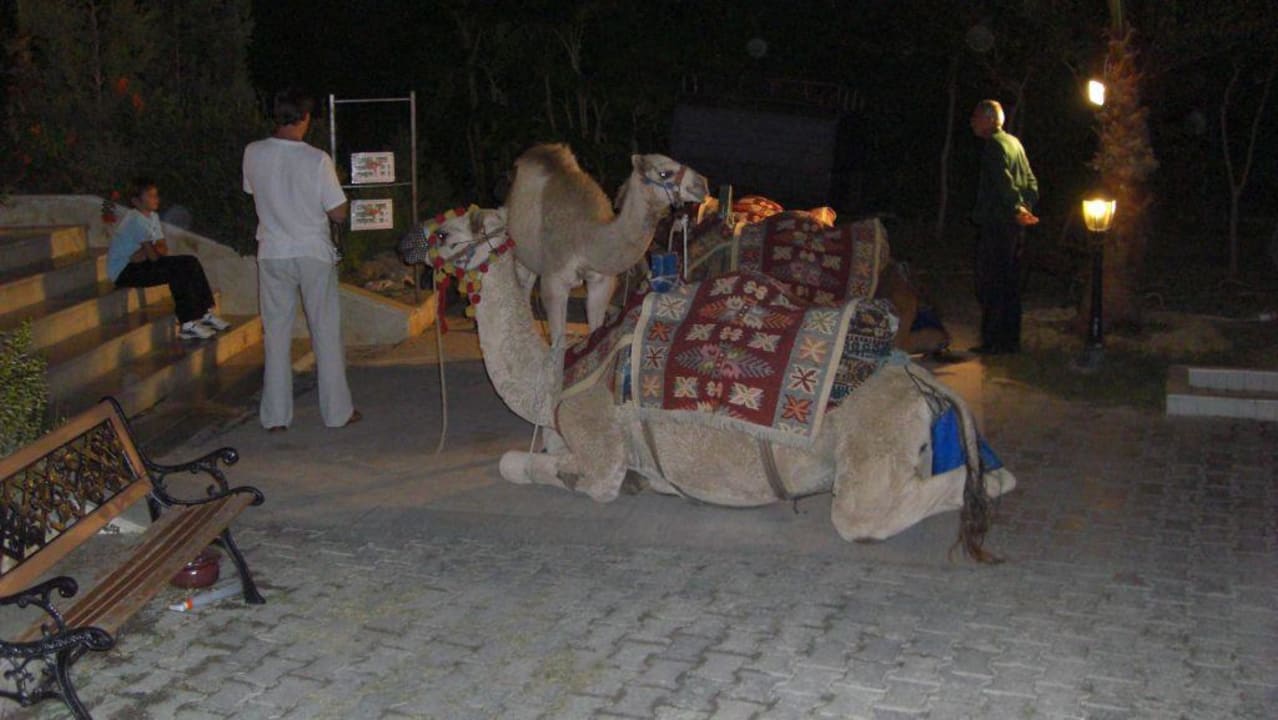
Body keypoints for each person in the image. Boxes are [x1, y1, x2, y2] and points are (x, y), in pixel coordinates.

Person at [243, 88, 359, 432]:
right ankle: (337, 412)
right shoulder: (316, 159)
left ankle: (276, 417)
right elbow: (337, 212)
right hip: (312, 252)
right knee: (325, 330)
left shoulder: (253, 153)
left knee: (276, 334)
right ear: (305, 118)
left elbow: (253, 191)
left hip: (273, 252)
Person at [108, 177, 230, 340]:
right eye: (150, 196)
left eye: (156, 195)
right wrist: (149, 250)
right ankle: (187, 323)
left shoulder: (153, 217)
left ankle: (204, 313)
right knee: (175, 271)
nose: (156, 199)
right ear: (136, 201)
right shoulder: (135, 220)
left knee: (190, 261)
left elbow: (162, 249)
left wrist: (145, 251)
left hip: (138, 263)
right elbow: (153, 256)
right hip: (124, 271)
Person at [969, 99, 1039, 355]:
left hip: (997, 223)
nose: (972, 122)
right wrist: (1027, 206)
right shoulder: (1014, 143)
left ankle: (993, 341)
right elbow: (1031, 179)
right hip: (1013, 226)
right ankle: (1010, 340)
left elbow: (1003, 183)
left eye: (976, 117)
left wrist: (1017, 208)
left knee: (991, 282)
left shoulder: (994, 146)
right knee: (1010, 282)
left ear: (989, 119)